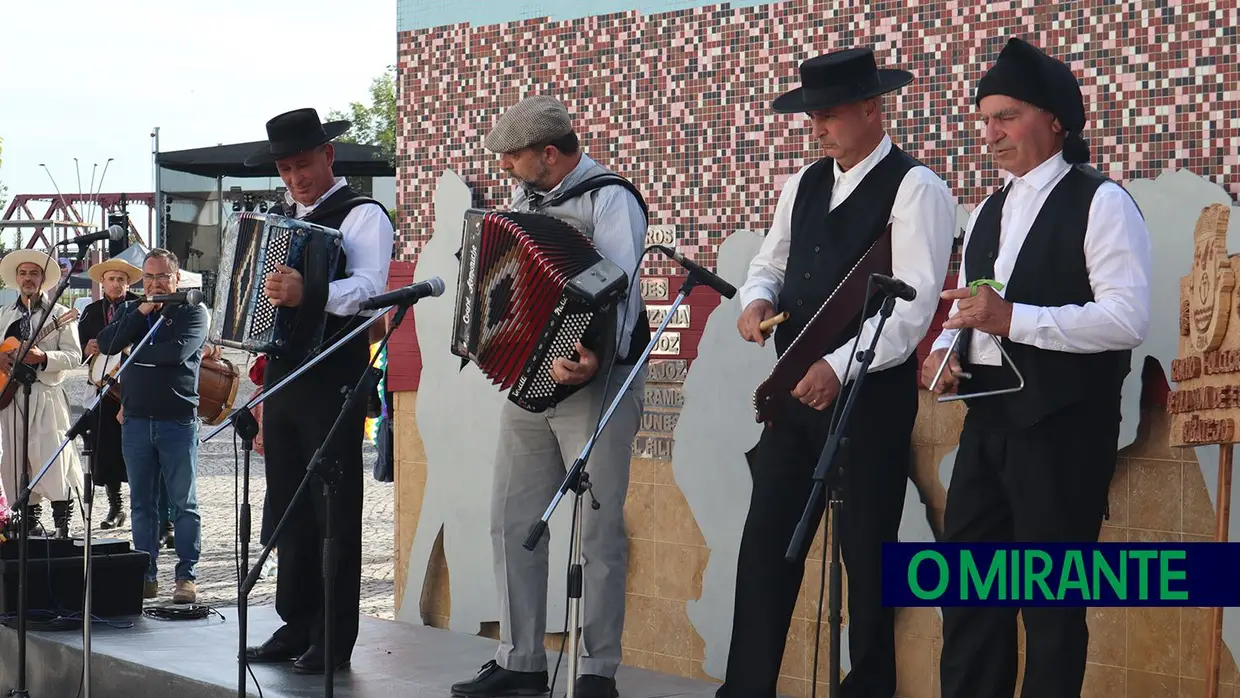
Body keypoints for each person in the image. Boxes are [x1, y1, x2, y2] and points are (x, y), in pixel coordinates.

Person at [719, 47, 956, 698]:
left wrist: (838, 365)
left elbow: (912, 310)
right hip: (795, 400)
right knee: (765, 547)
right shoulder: (803, 184)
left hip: (869, 403)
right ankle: (746, 688)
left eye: (828, 115)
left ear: (873, 110)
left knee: (867, 559)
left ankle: (870, 687)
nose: (817, 129)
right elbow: (770, 263)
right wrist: (756, 300)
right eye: (811, 117)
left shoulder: (917, 189)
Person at [922, 37, 1151, 698]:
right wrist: (948, 348)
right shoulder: (989, 210)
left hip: (1063, 434)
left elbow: (1126, 319)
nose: (990, 133)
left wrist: (1012, 319)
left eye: (1007, 116)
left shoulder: (1102, 204)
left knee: (1049, 611)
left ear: (1055, 118)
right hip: (987, 430)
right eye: (985, 119)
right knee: (969, 600)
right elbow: (974, 309)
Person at [450, 95, 648, 698]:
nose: (506, 168)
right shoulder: (524, 201)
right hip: (528, 380)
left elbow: (622, 289)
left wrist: (594, 354)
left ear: (550, 153)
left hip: (599, 381)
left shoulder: (610, 198)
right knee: (512, 519)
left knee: (598, 528)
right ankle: (521, 662)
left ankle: (596, 671)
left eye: (514, 157)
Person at [240, 108, 394, 674]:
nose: (295, 179)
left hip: (334, 372)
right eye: (285, 168)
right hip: (282, 373)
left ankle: (333, 638)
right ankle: (296, 621)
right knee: (289, 505)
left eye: (303, 165)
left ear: (329, 156)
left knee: (334, 509)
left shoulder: (363, 215)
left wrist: (312, 291)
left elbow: (371, 291)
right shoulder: (279, 219)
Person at [97, 248, 207, 603]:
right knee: (142, 504)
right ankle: (145, 574)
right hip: (136, 422)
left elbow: (175, 354)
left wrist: (132, 353)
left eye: (162, 277)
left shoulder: (193, 311)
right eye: (148, 277)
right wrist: (140, 312)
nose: (155, 284)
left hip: (177, 421)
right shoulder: (133, 310)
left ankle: (186, 577)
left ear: (176, 278)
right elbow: (107, 343)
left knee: (183, 504)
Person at [0, 249, 84, 538]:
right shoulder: (4, 314)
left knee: (53, 458)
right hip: (11, 398)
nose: (27, 278)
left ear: (43, 279)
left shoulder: (60, 314)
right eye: (23, 273)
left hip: (46, 396)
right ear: (16, 278)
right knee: (16, 459)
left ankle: (62, 526)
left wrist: (44, 358)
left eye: (33, 273)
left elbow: (75, 356)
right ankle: (27, 524)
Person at [78, 257, 142, 529]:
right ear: (102, 282)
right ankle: (116, 506)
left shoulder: (141, 306)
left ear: (128, 283)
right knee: (105, 448)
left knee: (140, 449)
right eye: (111, 279)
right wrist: (86, 350)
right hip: (103, 389)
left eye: (121, 279)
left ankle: (153, 512)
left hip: (136, 386)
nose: (116, 284)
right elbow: (79, 349)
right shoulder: (91, 312)